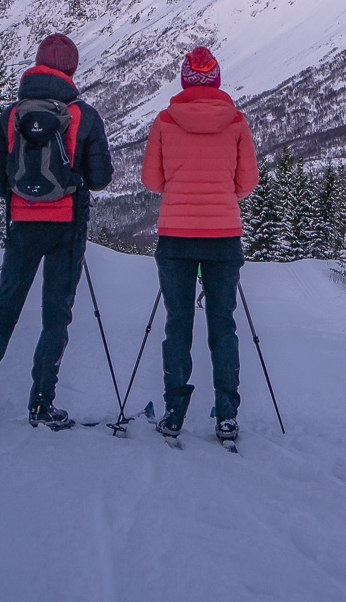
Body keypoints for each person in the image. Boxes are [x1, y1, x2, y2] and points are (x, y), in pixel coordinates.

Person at [0, 33, 114, 429]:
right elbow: (100, 179)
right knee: (55, 317)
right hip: (66, 227)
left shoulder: (11, 114)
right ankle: (41, 405)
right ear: (72, 69)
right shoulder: (84, 116)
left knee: (4, 309)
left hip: (23, 225)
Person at [141, 47, 259, 448]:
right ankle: (227, 416)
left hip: (175, 235)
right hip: (223, 235)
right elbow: (246, 184)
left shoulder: (164, 121)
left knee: (179, 323)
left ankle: (174, 413)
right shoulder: (237, 122)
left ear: (185, 80)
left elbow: (152, 182)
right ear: (218, 79)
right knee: (223, 325)